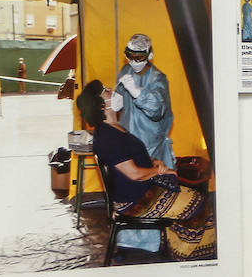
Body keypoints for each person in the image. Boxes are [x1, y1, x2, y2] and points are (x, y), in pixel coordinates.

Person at [76, 80, 213, 259]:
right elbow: (133, 173)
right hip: (134, 202)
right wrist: (160, 171)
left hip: (141, 192)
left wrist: (155, 162)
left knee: (192, 197)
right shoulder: (108, 136)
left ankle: (179, 250)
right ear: (102, 106)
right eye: (105, 91)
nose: (111, 91)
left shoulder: (114, 129)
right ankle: (189, 257)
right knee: (198, 203)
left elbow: (134, 157)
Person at [110, 33, 177, 252]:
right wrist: (116, 101)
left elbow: (157, 110)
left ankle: (150, 243)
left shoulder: (158, 78)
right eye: (130, 57)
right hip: (128, 140)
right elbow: (118, 100)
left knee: (149, 194)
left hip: (150, 143)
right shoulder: (125, 72)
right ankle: (127, 240)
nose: (134, 62)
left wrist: (137, 93)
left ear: (150, 55)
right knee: (130, 191)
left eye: (139, 58)